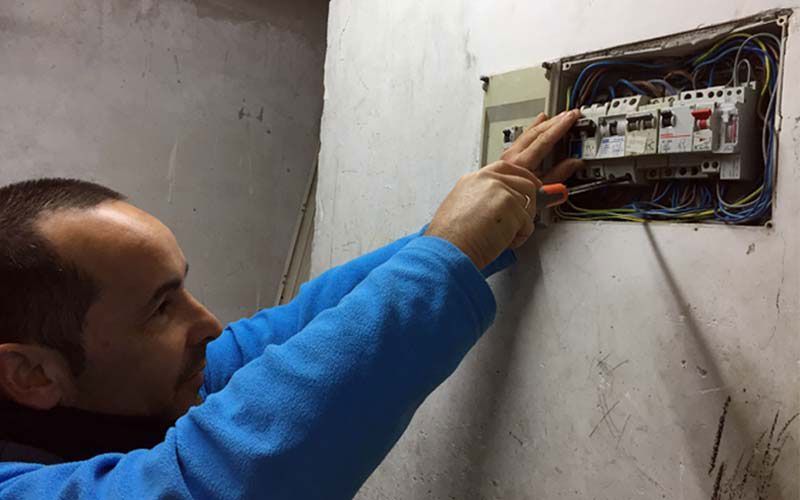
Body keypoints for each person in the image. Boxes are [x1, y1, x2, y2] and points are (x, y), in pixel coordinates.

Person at [0, 110, 581, 499]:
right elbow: (217, 479)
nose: (208, 322)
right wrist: (445, 254)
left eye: (183, 289)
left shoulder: (121, 386)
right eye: (159, 310)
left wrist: (454, 241)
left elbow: (287, 335)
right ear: (31, 373)